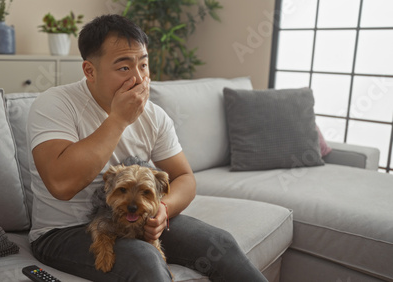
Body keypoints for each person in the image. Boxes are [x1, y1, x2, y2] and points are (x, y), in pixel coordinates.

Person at [27, 14, 267, 282]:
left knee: (221, 244)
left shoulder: (154, 115)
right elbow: (61, 184)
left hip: (135, 219)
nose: (139, 78)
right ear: (90, 71)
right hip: (65, 232)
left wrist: (164, 209)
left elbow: (184, 178)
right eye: (124, 68)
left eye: (143, 65)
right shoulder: (55, 104)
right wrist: (118, 120)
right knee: (145, 259)